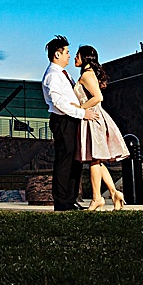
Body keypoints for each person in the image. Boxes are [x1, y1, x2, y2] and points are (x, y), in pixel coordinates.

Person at [42, 35, 100, 211]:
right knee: (64, 160)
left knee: (75, 161)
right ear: (57, 55)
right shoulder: (52, 75)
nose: (69, 55)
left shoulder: (64, 75)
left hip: (72, 119)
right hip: (63, 120)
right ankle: (62, 202)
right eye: (66, 52)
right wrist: (82, 113)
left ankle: (71, 198)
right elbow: (58, 103)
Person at [73, 45, 129, 210]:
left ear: (85, 58)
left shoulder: (86, 75)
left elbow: (98, 97)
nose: (75, 58)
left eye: (78, 55)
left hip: (93, 118)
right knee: (96, 160)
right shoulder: (88, 74)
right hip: (94, 117)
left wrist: (80, 108)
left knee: (93, 161)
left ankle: (97, 198)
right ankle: (114, 193)